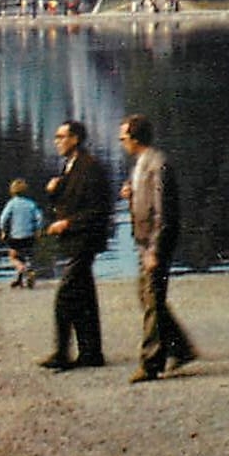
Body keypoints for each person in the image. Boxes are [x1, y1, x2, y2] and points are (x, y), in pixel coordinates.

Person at [119, 113, 196, 383]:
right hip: (144, 242)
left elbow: (164, 212)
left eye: (124, 137)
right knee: (147, 296)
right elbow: (147, 203)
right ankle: (181, 347)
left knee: (152, 299)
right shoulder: (141, 164)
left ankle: (151, 362)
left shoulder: (157, 164)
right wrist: (132, 196)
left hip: (155, 244)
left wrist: (155, 249)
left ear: (136, 138)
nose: (121, 142)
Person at [40, 120, 111, 370]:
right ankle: (91, 353)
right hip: (75, 242)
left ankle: (61, 352)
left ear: (76, 139)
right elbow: (69, 201)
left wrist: (66, 224)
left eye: (61, 136)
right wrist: (53, 192)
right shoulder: (69, 167)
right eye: (56, 137)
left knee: (65, 296)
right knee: (84, 298)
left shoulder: (90, 167)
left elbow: (99, 210)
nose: (57, 141)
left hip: (85, 240)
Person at [0, 177, 43, 288]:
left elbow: (3, 218)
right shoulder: (31, 204)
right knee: (24, 256)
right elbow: (40, 217)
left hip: (16, 235)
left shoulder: (12, 204)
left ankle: (25, 271)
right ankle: (19, 280)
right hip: (29, 235)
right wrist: (38, 229)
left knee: (13, 257)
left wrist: (3, 230)